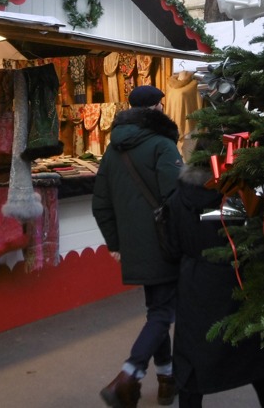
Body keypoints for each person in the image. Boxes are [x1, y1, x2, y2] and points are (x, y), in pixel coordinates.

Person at [166, 161, 264, 408]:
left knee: (192, 353)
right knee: (252, 347)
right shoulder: (238, 196)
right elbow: (258, 237)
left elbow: (170, 246)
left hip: (194, 282)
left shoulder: (177, 198)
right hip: (236, 278)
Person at [93, 84, 184, 408]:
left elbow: (100, 204)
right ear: (157, 108)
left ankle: (166, 378)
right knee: (163, 312)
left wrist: (116, 243)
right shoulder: (163, 145)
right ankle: (128, 374)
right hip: (165, 244)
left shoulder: (112, 148)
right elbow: (176, 200)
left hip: (134, 247)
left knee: (156, 309)